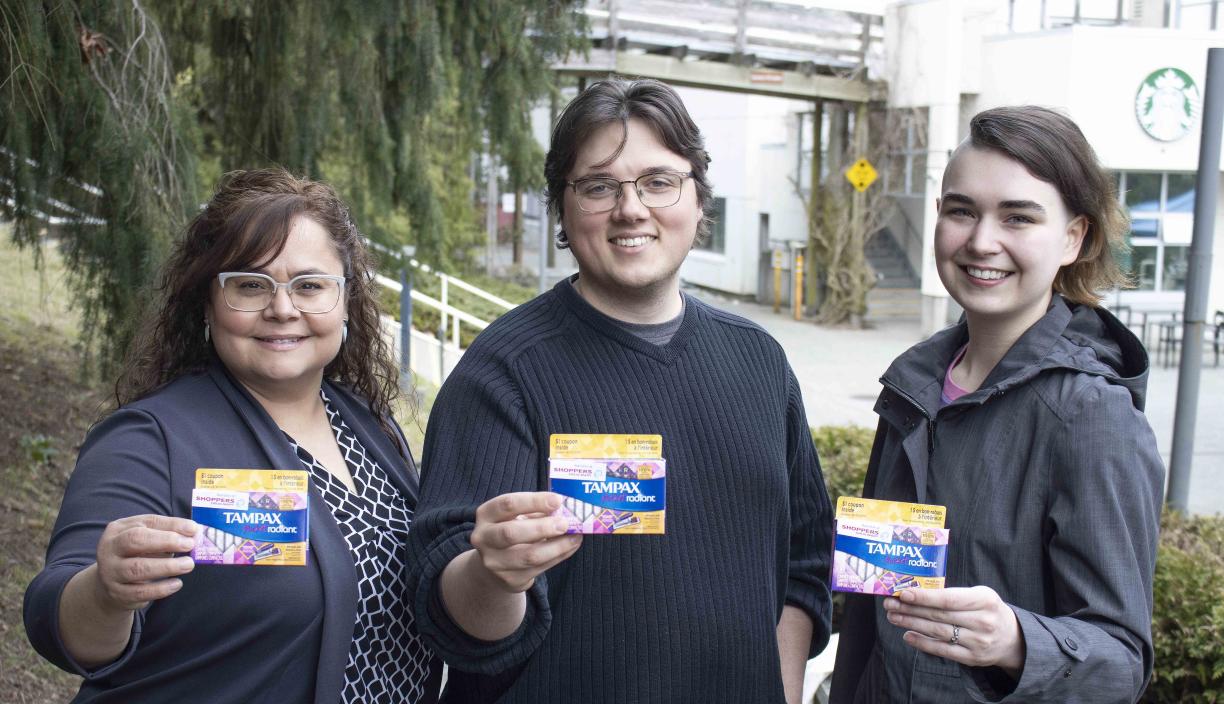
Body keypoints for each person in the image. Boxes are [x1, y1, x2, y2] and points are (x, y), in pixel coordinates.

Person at [405, 78, 833, 703]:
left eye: (659, 181)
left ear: (697, 198)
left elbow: (803, 563)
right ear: (563, 207)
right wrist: (495, 575)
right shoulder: (504, 371)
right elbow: (448, 611)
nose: (631, 208)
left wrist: (783, 687)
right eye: (599, 186)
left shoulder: (759, 360)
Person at [24, 169, 441, 703]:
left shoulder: (370, 424)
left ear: (346, 302)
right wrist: (106, 593)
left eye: (310, 285)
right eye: (250, 285)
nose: (283, 308)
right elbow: (56, 620)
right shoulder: (152, 439)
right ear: (207, 301)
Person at [830, 106, 1164, 703]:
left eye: (1018, 217)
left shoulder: (1091, 414)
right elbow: (868, 615)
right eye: (962, 211)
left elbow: (1121, 662)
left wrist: (1014, 639)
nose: (982, 241)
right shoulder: (912, 386)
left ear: (1073, 237)